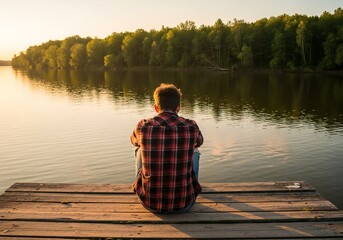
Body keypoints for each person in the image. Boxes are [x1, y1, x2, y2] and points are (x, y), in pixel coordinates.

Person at [130, 83, 204, 214]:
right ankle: (189, 185)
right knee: (195, 150)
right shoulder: (191, 126)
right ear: (178, 107)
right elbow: (199, 142)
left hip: (149, 202)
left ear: (156, 107)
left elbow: (133, 141)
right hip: (185, 202)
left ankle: (146, 186)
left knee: (140, 149)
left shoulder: (143, 126)